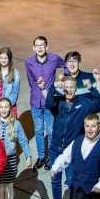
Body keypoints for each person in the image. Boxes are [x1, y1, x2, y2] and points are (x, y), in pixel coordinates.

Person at [43, 73, 100, 199]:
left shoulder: (83, 104)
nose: (69, 90)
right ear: (62, 88)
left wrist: (92, 88)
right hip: (55, 147)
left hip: (72, 150)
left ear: (76, 89)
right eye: (66, 87)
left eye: (72, 87)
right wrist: (53, 86)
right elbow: (48, 104)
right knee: (55, 180)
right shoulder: (58, 103)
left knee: (72, 181)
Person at [25, 36, 66, 170]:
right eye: (37, 45)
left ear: (47, 46)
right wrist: (37, 90)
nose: (40, 47)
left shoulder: (54, 58)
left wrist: (62, 78)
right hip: (35, 101)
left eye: (42, 45)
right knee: (38, 130)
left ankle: (52, 158)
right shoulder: (29, 62)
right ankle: (41, 157)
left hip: (49, 101)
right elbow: (31, 81)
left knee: (51, 130)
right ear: (33, 47)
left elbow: (65, 66)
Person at [0, 98, 31, 199]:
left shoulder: (16, 124)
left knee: (7, 186)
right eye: (1, 107)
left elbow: (23, 141)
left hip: (11, 160)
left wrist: (28, 156)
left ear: (10, 108)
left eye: (6, 107)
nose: (3, 109)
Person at [0, 47, 20, 117]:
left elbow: (15, 93)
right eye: (1, 58)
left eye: (5, 58)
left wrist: (5, 106)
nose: (3, 60)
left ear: (9, 59)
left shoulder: (15, 73)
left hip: (9, 106)